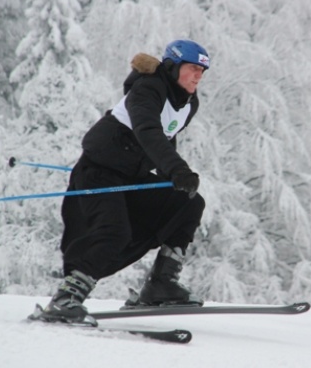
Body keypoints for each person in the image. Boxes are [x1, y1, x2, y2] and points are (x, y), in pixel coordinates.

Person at [40, 40, 210, 323]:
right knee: (113, 232)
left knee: (187, 204)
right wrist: (177, 170)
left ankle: (160, 283)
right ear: (173, 66)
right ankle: (66, 298)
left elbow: (166, 138)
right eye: (193, 68)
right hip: (98, 172)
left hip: (131, 177)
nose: (198, 76)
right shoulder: (147, 88)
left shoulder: (189, 103)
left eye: (202, 71)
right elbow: (148, 130)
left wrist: (172, 176)